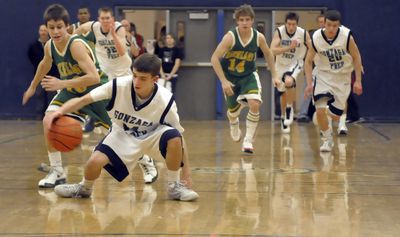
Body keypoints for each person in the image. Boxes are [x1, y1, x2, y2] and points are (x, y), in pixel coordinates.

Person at [45, 53, 199, 201]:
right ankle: (84, 188)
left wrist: (187, 172)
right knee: (93, 163)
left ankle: (174, 186)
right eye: (135, 76)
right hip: (122, 135)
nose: (136, 82)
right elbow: (83, 100)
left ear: (155, 79)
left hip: (153, 137)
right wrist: (58, 112)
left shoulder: (166, 100)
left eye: (143, 79)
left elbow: (180, 136)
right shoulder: (118, 86)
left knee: (173, 136)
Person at [22, 4, 111, 188]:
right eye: (51, 27)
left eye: (59, 27)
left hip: (96, 92)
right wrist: (32, 87)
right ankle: (57, 171)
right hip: (72, 91)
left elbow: (93, 77)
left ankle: (147, 163)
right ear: (46, 27)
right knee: (49, 120)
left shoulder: (76, 45)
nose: (55, 31)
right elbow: (44, 65)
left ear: (67, 26)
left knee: (120, 135)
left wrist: (61, 83)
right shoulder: (49, 46)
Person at [75, 8, 158, 184]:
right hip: (105, 77)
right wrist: (73, 40)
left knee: (125, 125)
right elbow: (79, 31)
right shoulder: (93, 26)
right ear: (99, 19)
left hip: (124, 77)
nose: (105, 21)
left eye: (108, 18)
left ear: (113, 19)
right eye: (102, 18)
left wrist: (112, 33)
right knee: (114, 125)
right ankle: (94, 121)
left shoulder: (119, 29)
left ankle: (145, 160)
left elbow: (122, 52)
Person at [211, 4, 279, 153]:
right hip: (230, 77)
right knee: (233, 111)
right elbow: (214, 58)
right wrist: (223, 81)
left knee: (255, 103)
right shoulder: (230, 37)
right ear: (237, 21)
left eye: (247, 19)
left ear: (252, 21)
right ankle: (233, 121)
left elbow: (268, 54)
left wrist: (275, 75)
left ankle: (248, 140)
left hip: (248, 75)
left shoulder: (258, 37)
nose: (244, 23)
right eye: (241, 20)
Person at [304, 10, 363, 152]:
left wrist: (358, 81)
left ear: (339, 25)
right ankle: (327, 139)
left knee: (336, 115)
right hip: (323, 75)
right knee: (320, 109)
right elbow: (308, 61)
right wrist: (309, 83)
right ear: (323, 23)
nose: (331, 29)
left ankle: (326, 117)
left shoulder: (346, 36)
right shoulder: (316, 38)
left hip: (342, 77)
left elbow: (356, 56)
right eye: (329, 25)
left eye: (335, 26)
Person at [270, 12, 310, 133]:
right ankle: (283, 117)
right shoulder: (280, 32)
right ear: (285, 23)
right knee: (282, 93)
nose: (291, 27)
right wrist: (289, 47)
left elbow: (313, 48)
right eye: (289, 24)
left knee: (288, 81)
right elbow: (272, 50)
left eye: (293, 24)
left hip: (295, 63)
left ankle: (289, 109)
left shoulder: (303, 34)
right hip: (280, 65)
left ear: (297, 24)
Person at [297, 14, 325, 123]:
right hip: (312, 69)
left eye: (324, 22)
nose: (322, 24)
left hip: (326, 71)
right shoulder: (313, 35)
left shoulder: (332, 37)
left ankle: (330, 115)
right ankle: (302, 114)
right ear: (318, 23)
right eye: (320, 22)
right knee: (308, 91)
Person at [27, 24, 59, 118]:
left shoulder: (53, 44)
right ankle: (39, 115)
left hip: (52, 75)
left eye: (45, 30)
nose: (43, 32)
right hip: (39, 75)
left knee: (52, 96)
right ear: (39, 32)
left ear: (48, 31)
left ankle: (50, 115)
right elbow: (32, 58)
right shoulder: (33, 46)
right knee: (39, 95)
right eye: (42, 30)